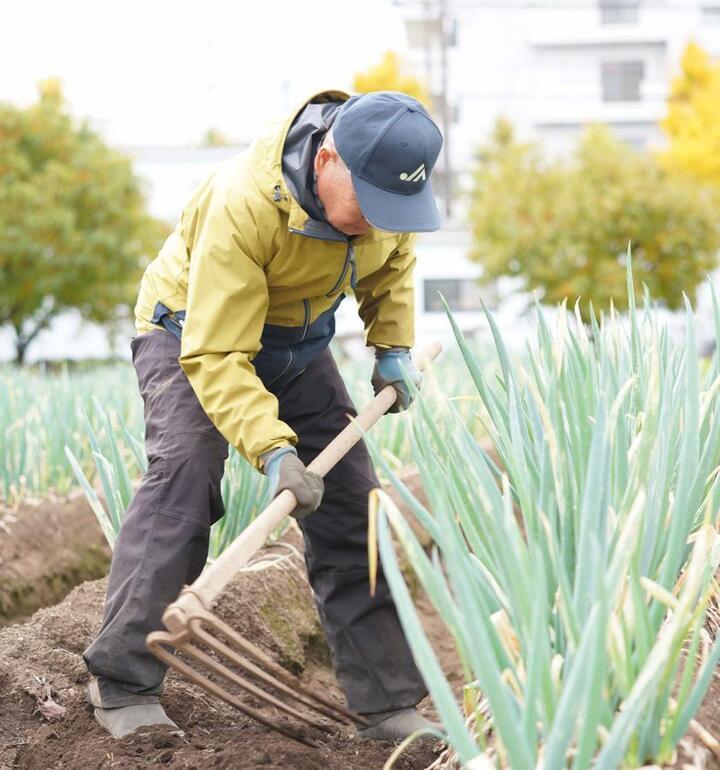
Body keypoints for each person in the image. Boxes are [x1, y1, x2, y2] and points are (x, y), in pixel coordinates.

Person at [83, 89, 444, 741]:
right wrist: (276, 451)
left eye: (396, 208)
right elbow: (219, 354)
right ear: (329, 159)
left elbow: (393, 266)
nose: (378, 222)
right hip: (191, 332)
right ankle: (123, 679)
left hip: (300, 344)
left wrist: (392, 346)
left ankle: (386, 699)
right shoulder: (243, 203)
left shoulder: (381, 205)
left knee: (353, 502)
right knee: (185, 476)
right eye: (370, 204)